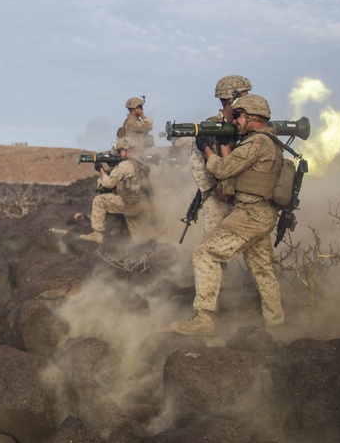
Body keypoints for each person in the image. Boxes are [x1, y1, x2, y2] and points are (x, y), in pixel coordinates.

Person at [170, 94, 284, 336]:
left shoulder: (257, 143)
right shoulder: (268, 141)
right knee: (262, 268)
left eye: (239, 116)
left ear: (252, 117)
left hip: (249, 214)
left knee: (205, 253)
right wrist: (224, 141)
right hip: (261, 213)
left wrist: (208, 148)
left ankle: (204, 318)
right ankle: (276, 324)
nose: (236, 121)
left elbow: (223, 170)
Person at [189, 76, 253, 234]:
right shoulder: (210, 127)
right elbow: (197, 164)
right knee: (214, 243)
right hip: (219, 197)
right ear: (231, 99)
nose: (250, 99)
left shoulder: (249, 124)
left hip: (247, 195)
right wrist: (217, 189)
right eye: (245, 95)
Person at [80, 136, 154, 243]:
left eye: (120, 151)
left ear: (126, 150)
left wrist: (101, 170)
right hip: (142, 204)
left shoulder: (125, 165)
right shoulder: (140, 163)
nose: (119, 154)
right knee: (140, 241)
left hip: (130, 205)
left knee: (99, 200)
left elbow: (109, 184)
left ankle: (97, 235)